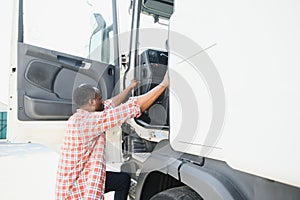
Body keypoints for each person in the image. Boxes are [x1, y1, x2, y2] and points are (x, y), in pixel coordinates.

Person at [55, 72, 169, 200]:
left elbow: (110, 104)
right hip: (78, 189)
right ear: (91, 102)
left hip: (84, 175)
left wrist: (129, 88)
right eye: (99, 98)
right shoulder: (87, 122)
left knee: (122, 180)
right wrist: (163, 85)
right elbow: (132, 108)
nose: (102, 101)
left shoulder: (80, 116)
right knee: (119, 181)